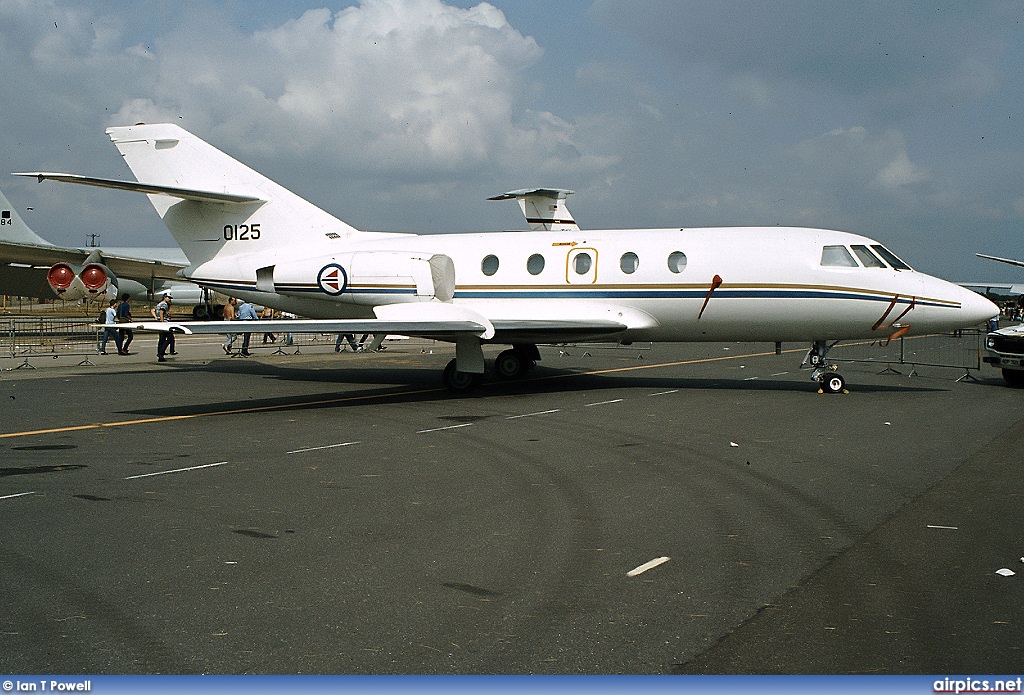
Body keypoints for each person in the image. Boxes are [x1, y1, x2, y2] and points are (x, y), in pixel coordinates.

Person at [151, 293, 175, 362]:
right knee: (170, 338)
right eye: (169, 298)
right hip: (164, 323)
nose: (169, 299)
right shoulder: (164, 304)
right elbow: (161, 312)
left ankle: (160, 354)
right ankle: (161, 353)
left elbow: (152, 310)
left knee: (162, 339)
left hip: (160, 322)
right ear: (165, 297)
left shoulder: (159, 304)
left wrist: (156, 317)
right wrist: (162, 322)